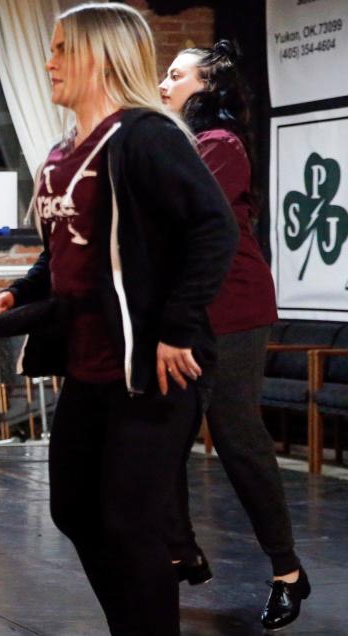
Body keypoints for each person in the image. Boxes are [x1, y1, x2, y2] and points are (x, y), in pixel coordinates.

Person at [0, 4, 236, 633]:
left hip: (153, 366)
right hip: (91, 365)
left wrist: (177, 329)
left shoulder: (145, 136)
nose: (49, 61)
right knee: (73, 509)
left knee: (128, 521)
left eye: (63, 48)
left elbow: (214, 230)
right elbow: (65, 248)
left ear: (100, 56)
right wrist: (22, 291)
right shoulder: (61, 153)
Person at [160, 40, 308, 630]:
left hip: (235, 309)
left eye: (175, 75)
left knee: (238, 438)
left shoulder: (220, 146)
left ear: (206, 87)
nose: (164, 83)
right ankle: (180, 550)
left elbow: (186, 221)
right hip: (185, 317)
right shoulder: (180, 144)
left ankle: (288, 573)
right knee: (161, 433)